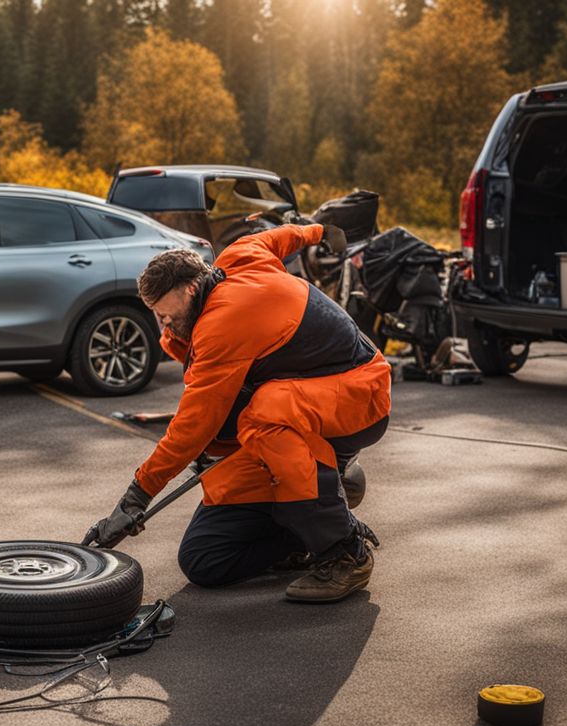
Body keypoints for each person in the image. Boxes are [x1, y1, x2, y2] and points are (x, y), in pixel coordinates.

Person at [88, 223, 391, 603]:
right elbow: (280, 237)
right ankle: (305, 528)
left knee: (263, 414)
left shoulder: (222, 325)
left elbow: (193, 427)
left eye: (166, 312)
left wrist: (135, 499)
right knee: (203, 561)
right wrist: (321, 231)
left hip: (359, 398)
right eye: (156, 316)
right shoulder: (238, 256)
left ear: (192, 288)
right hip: (304, 404)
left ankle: (345, 551)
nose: (162, 323)